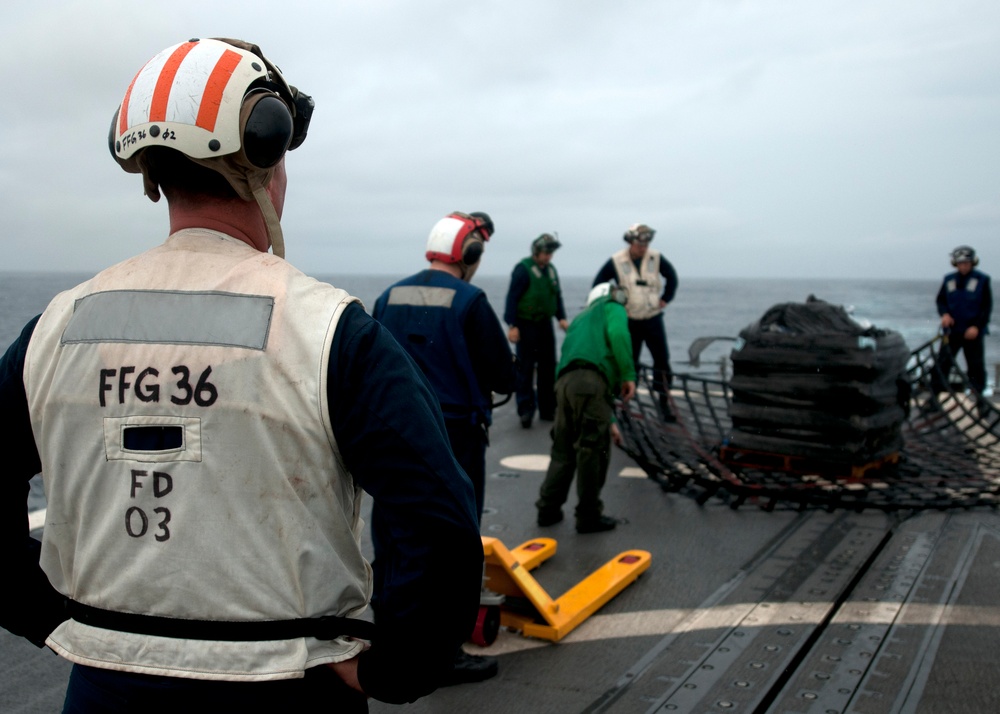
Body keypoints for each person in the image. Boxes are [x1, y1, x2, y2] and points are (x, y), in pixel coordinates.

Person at [0, 38, 484, 712]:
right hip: (288, 684)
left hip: (105, 686)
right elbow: (439, 521)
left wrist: (45, 616)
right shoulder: (329, 332)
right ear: (265, 156)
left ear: (153, 174)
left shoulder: (52, 329)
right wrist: (393, 669)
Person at [372, 211, 517, 683]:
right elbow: (502, 375)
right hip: (455, 434)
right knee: (454, 541)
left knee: (394, 535)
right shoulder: (470, 302)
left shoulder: (388, 295)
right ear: (469, 255)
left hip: (395, 435)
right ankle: (444, 653)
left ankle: (389, 634)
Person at [536, 283, 636, 534]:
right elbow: (619, 335)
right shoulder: (612, 307)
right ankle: (589, 516)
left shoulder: (580, 319)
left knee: (562, 448)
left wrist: (609, 418)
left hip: (564, 385)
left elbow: (574, 360)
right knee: (593, 449)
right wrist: (628, 375)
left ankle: (548, 510)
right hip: (592, 384)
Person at [593, 223, 678, 420]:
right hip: (629, 320)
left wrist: (666, 297)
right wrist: (612, 305)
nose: (643, 248)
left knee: (662, 360)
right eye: (640, 244)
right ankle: (625, 404)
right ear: (631, 242)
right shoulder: (616, 261)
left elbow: (672, 277)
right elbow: (599, 284)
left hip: (652, 318)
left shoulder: (655, 258)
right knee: (628, 363)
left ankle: (664, 402)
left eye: (646, 244)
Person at [504, 233, 569, 429]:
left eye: (550, 253)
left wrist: (562, 318)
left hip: (545, 325)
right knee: (525, 368)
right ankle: (526, 410)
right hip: (526, 325)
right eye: (546, 252)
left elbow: (556, 297)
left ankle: (547, 409)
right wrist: (512, 325)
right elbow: (512, 298)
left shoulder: (551, 271)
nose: (548, 256)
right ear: (536, 251)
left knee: (548, 367)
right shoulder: (523, 270)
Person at [935, 245, 993, 398]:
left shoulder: (982, 280)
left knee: (975, 367)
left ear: (972, 263)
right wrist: (944, 314)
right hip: (952, 331)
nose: (963, 266)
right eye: (960, 263)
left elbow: (986, 307)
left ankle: (979, 399)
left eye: (966, 263)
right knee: (942, 364)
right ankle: (935, 397)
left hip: (972, 332)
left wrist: (977, 327)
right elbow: (941, 300)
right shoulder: (949, 280)